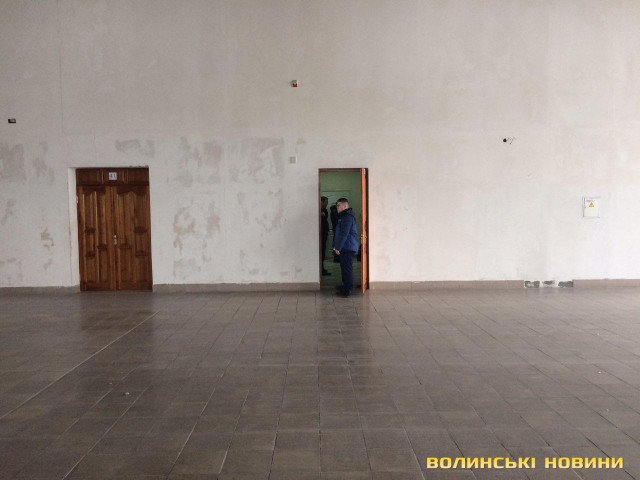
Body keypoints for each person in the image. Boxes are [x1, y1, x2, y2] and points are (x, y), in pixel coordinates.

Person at [332, 198, 359, 297]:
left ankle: (348, 290)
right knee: (344, 268)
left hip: (347, 246)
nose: (337, 207)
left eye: (339, 205)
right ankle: (345, 287)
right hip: (345, 246)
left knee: (347, 269)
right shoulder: (343, 216)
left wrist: (338, 247)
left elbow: (344, 233)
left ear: (345, 206)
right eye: (337, 205)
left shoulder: (347, 216)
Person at [320, 196, 330, 276]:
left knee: (323, 252)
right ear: (322, 202)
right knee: (321, 252)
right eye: (326, 202)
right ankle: (321, 269)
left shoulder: (325, 210)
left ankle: (322, 269)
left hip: (324, 234)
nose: (327, 204)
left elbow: (325, 217)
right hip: (320, 235)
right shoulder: (317, 210)